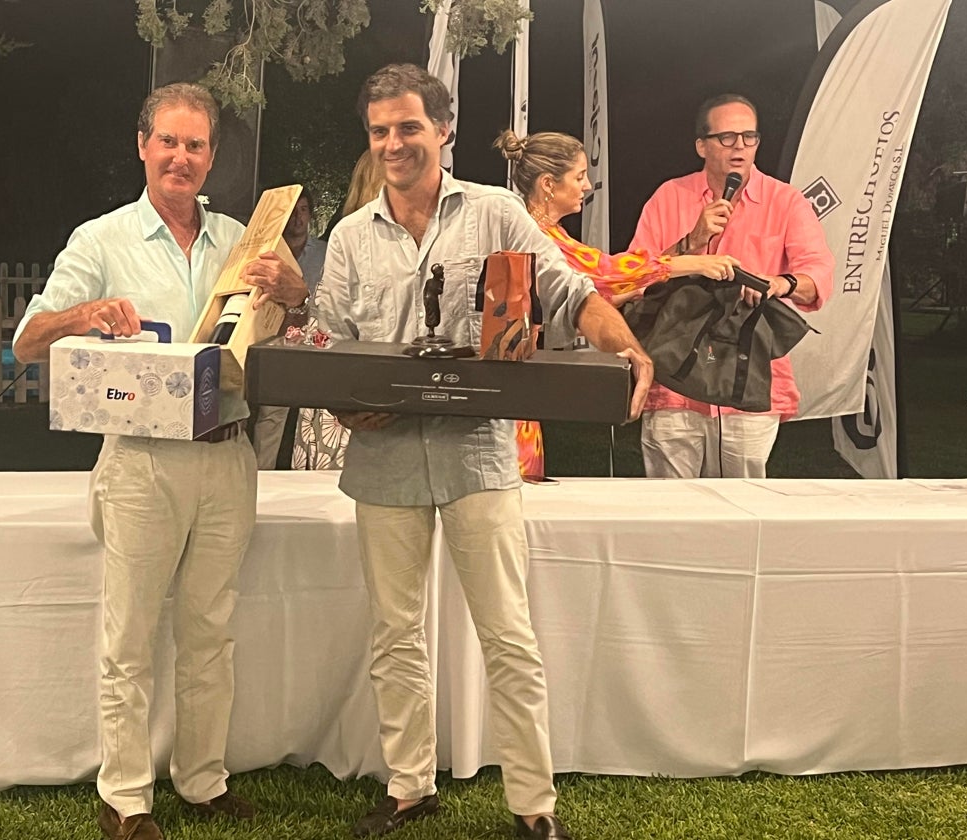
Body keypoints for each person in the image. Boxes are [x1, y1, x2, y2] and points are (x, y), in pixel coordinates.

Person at [314, 63, 654, 840]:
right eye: (380, 130)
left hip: (479, 457)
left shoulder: (497, 212)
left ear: (444, 130)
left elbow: (570, 292)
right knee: (393, 634)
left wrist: (629, 349)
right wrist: (338, 396)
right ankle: (409, 787)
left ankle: (534, 807)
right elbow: (329, 338)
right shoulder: (348, 238)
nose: (394, 143)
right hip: (384, 461)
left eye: (408, 126)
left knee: (508, 633)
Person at [12, 82, 308, 840]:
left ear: (212, 156)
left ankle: (203, 782)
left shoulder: (243, 238)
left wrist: (295, 292)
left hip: (226, 454)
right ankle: (126, 800)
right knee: (131, 637)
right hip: (141, 460)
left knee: (211, 631)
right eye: (168, 142)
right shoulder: (101, 240)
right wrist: (89, 312)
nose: (182, 157)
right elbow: (28, 339)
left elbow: (285, 327)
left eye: (197, 145)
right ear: (142, 146)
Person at [494, 129, 740, 480]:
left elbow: (610, 287)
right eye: (579, 176)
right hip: (509, 393)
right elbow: (607, 274)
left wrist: (686, 249)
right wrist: (693, 262)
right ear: (548, 184)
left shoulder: (550, 233)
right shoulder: (536, 235)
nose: (587, 185)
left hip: (518, 392)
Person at [629, 93, 834, 478]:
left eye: (749, 137)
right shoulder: (669, 197)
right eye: (727, 138)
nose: (739, 146)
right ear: (701, 146)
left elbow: (818, 278)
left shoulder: (785, 201)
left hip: (748, 379)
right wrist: (690, 242)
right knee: (671, 507)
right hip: (676, 381)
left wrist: (779, 284)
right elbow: (634, 277)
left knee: (743, 510)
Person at [293, 153, 386, 469]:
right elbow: (324, 336)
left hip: (339, 405)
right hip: (347, 411)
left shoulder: (345, 245)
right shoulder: (351, 245)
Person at [249, 184, 326, 469]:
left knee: (316, 415)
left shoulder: (326, 253)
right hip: (275, 340)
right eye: (293, 212)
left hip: (316, 345)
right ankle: (261, 474)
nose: (298, 219)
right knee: (271, 414)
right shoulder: (268, 254)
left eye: (304, 211)